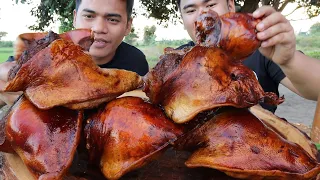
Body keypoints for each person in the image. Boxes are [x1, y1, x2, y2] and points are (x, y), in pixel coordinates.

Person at [0, 0, 149, 106]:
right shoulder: (42, 54)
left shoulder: (135, 61)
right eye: (89, 16)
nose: (98, 28)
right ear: (74, 18)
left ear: (128, 25)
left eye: (112, 19)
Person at [176, 0, 304, 113]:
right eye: (191, 10)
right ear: (182, 18)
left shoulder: (264, 51)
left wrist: (289, 60)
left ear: (230, 5)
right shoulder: (177, 60)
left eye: (211, 4)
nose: (202, 15)